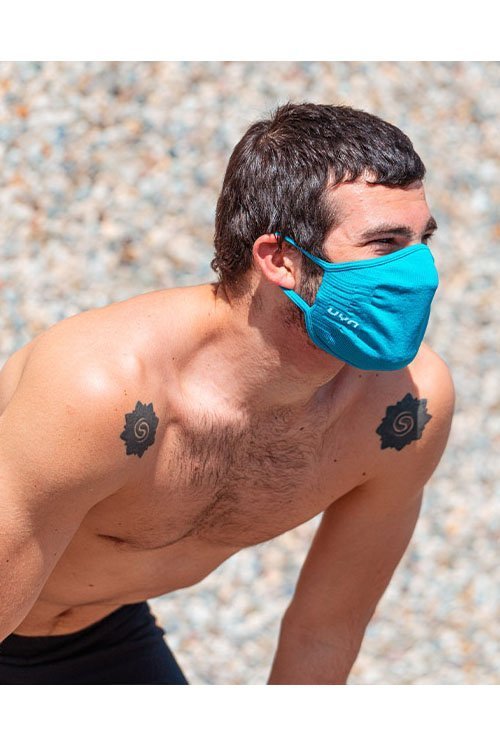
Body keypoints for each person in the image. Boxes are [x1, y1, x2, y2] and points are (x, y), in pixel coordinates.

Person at [0, 102, 454, 684]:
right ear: (280, 259)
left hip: (100, 634)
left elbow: (325, 631)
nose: (419, 271)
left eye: (422, 240)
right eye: (385, 243)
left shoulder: (402, 413)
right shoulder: (108, 391)